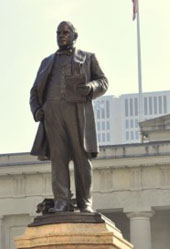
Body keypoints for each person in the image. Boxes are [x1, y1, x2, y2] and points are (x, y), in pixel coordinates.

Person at [30, 21, 108, 213]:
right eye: (58, 33)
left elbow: (103, 82)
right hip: (52, 112)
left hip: (77, 111)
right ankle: (61, 201)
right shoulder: (46, 62)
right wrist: (37, 109)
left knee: (82, 157)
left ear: (74, 35)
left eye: (66, 32)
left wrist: (90, 87)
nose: (61, 36)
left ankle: (84, 202)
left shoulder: (88, 58)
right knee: (58, 159)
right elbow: (34, 91)